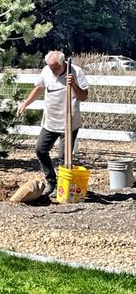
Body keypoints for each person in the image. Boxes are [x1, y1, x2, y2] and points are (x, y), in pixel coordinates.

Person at [17, 50, 89, 197]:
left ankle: (62, 189)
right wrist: (25, 103)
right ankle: (52, 182)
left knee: (64, 158)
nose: (52, 70)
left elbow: (84, 96)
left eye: (55, 67)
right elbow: (38, 88)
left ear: (63, 63)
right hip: (50, 121)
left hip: (69, 123)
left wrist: (73, 84)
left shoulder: (76, 71)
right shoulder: (46, 70)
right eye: (50, 67)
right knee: (40, 150)